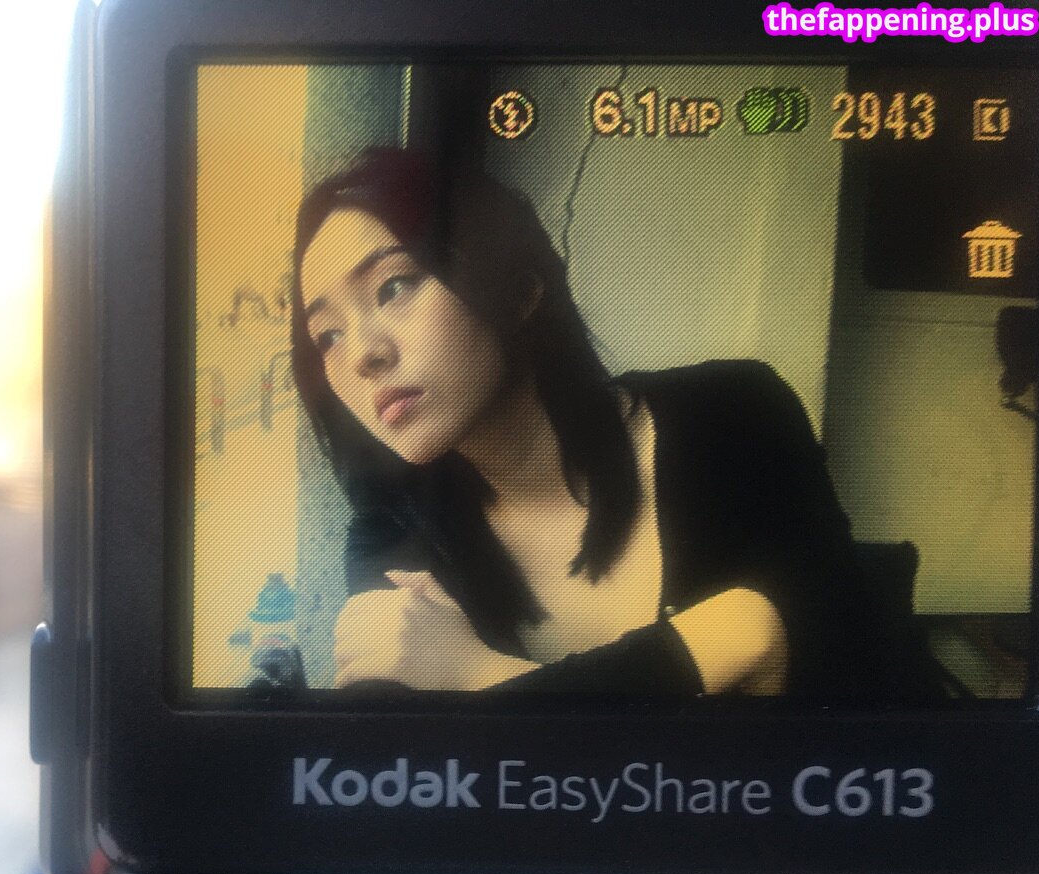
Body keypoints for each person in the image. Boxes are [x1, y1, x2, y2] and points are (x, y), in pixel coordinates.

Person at [290, 147, 936, 702]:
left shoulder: (734, 416)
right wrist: (726, 643)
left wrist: (479, 676)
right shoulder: (394, 542)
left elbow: (846, 713)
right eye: (327, 336)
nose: (362, 355)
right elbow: (435, 785)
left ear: (518, 287)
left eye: (394, 287)